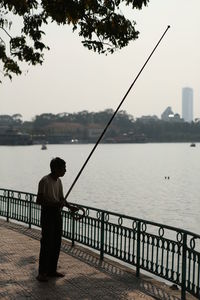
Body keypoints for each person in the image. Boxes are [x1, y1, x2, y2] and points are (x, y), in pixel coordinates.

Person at [36, 157, 77, 282]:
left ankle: (52, 270)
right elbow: (39, 200)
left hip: (57, 214)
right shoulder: (44, 181)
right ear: (55, 169)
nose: (65, 170)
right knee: (47, 243)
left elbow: (61, 198)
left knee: (56, 243)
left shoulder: (59, 181)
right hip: (48, 214)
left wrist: (70, 207)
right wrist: (55, 204)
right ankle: (42, 273)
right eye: (63, 168)